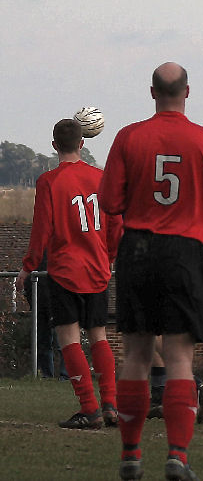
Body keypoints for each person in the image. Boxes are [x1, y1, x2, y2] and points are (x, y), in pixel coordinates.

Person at [99, 62, 203, 481]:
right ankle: (177, 455)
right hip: (186, 251)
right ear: (188, 92)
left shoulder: (128, 137)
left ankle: (130, 455)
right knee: (179, 357)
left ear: (152, 91)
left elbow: (108, 201)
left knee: (137, 356)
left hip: (138, 249)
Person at [15, 119, 122, 430]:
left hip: (65, 269)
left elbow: (42, 229)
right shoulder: (101, 178)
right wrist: (109, 255)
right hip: (97, 267)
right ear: (82, 143)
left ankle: (90, 409)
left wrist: (29, 265)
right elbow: (116, 222)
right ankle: (111, 406)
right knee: (99, 335)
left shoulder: (49, 181)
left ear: (53, 146)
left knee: (69, 337)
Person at [22, 254, 68, 380]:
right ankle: (47, 374)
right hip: (40, 303)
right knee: (44, 341)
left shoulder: (59, 253)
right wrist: (31, 300)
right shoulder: (38, 255)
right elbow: (28, 280)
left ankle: (64, 375)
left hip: (56, 303)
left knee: (61, 341)